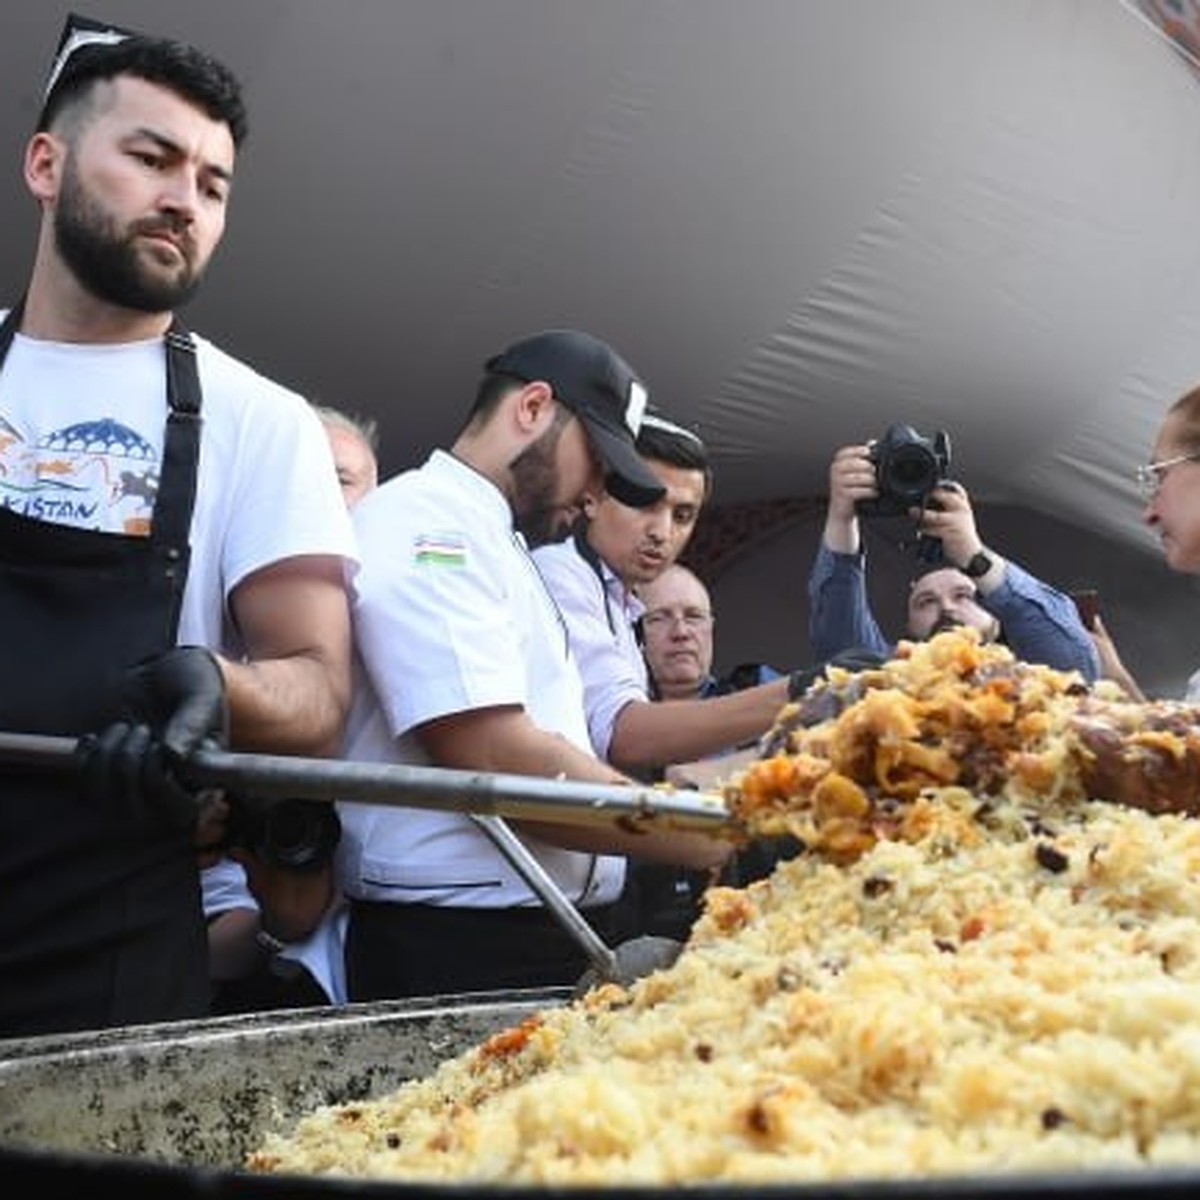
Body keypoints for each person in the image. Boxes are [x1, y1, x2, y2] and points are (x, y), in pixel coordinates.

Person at [0, 18, 356, 1037]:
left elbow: (319, 691)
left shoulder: (260, 421)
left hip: (103, 947)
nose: (181, 201)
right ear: (45, 163)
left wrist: (215, 683)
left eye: (211, 184)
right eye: (151, 158)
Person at [337, 328, 732, 1001]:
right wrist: (707, 834)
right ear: (532, 408)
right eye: (597, 464)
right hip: (460, 945)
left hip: (532, 928)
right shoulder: (430, 526)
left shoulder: (491, 536)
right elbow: (497, 753)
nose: (595, 495)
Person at [204, 404, 378, 1012]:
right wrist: (277, 926)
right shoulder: (216, 658)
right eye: (305, 483)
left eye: (341, 481)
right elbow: (217, 944)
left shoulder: (413, 647)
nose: (320, 504)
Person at [809, 442, 1100, 680]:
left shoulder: (1033, 680)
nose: (946, 607)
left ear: (997, 619)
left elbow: (1073, 659)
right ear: (909, 629)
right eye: (925, 602)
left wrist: (973, 554)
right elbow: (842, 654)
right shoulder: (889, 684)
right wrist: (841, 517)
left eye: (963, 596)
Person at [639, 562, 781, 702]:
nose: (681, 632)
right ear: (636, 636)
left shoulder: (760, 692)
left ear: (710, 628)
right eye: (659, 619)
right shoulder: (619, 716)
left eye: (693, 617)